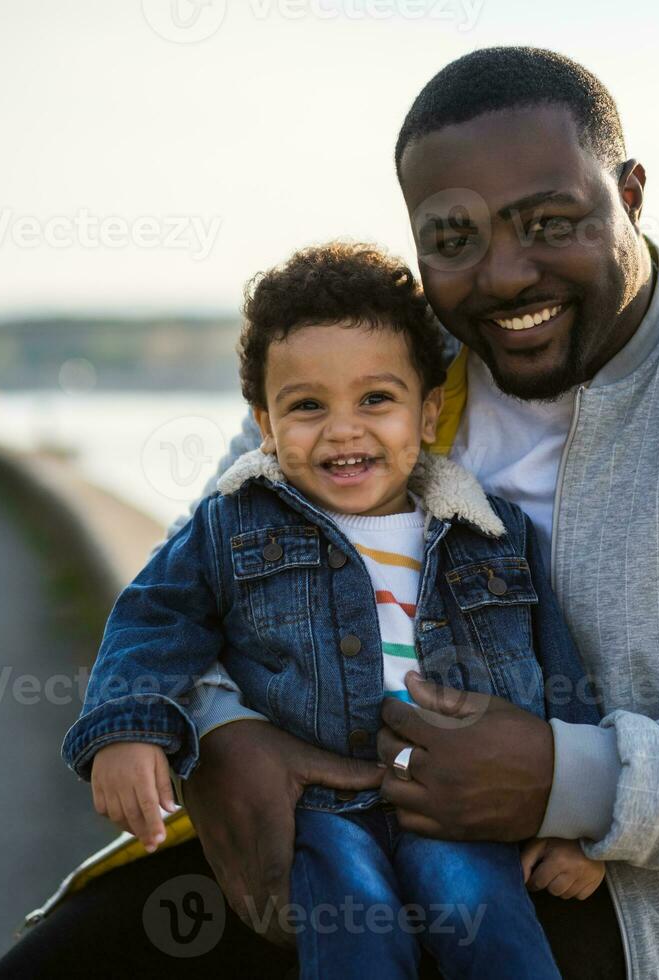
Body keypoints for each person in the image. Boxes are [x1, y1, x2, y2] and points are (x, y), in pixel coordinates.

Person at [0, 46, 659, 980]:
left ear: (633, 194)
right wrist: (225, 732)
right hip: (320, 831)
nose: (504, 276)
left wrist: (570, 784)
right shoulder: (371, 360)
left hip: (626, 898)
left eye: (549, 221)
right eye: (454, 237)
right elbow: (205, 564)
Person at [60, 242, 605, 980]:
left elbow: (561, 672)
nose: (343, 430)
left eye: (376, 400)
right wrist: (126, 730)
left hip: (457, 800)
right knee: (357, 930)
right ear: (264, 421)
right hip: (317, 807)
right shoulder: (235, 522)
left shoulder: (492, 531)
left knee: (489, 926)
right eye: (308, 406)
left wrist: (580, 828)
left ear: (427, 411)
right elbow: (156, 616)